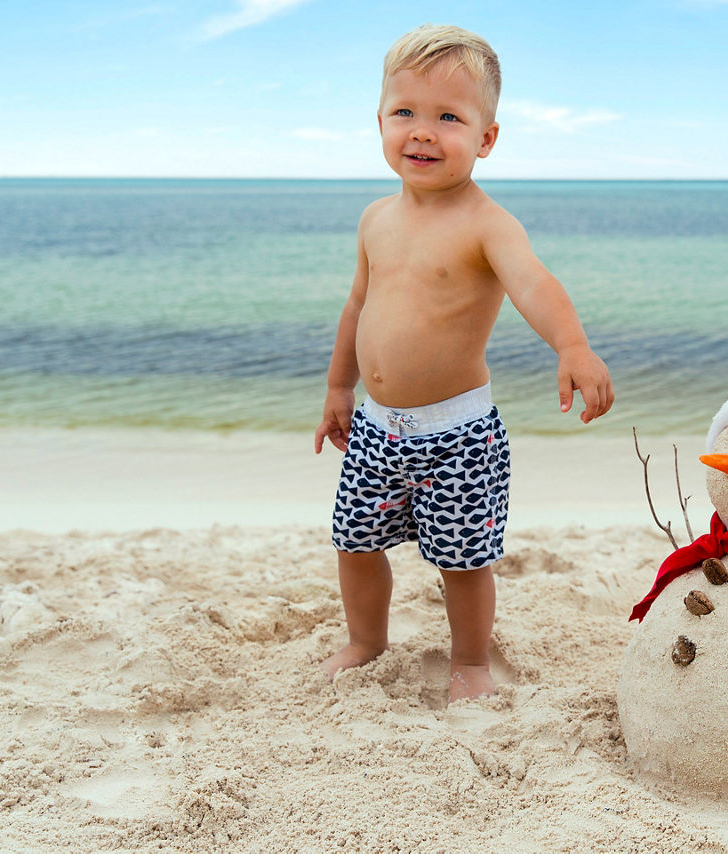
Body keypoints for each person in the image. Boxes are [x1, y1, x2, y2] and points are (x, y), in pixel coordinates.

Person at [312, 24, 614, 701]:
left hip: (458, 436)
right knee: (355, 543)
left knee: (463, 559)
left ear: (486, 139)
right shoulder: (374, 220)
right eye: (405, 113)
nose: (422, 132)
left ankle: (471, 663)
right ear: (381, 122)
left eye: (448, 117)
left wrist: (572, 346)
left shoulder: (486, 223)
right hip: (375, 428)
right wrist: (339, 386)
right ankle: (366, 640)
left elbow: (534, 283)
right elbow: (357, 308)